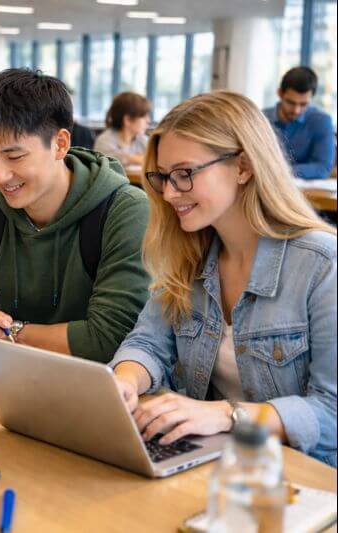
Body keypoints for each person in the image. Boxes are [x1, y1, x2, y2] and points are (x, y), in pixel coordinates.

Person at [110, 91, 337, 466]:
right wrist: (124, 382)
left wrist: (225, 414)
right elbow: (148, 343)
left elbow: (331, 413)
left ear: (243, 167)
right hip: (219, 465)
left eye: (184, 174)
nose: (168, 193)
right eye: (163, 177)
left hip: (301, 480)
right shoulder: (190, 253)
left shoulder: (321, 265)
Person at [0, 69, 151, 361]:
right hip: (5, 381)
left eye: (15, 157)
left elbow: (111, 335)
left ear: (60, 144)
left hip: (102, 389)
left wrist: (9, 332)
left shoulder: (125, 210)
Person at [263, 66, 336, 180]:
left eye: (303, 104)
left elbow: (322, 168)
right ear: (279, 93)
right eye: (290, 102)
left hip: (305, 193)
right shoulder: (261, 119)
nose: (296, 110)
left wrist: (282, 172)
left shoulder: (321, 121)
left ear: (311, 97)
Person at [94, 91, 151, 168]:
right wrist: (136, 159)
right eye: (143, 116)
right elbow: (112, 162)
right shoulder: (104, 141)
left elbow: (154, 160)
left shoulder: (142, 139)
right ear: (127, 120)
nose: (148, 121)